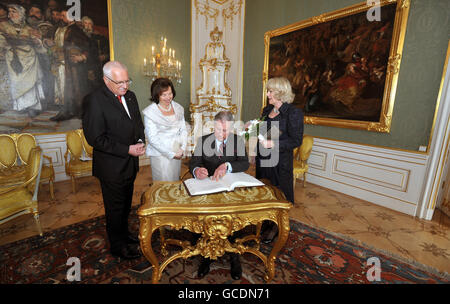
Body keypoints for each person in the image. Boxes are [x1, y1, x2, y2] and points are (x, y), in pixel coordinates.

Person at [82, 61, 145, 260]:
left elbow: (137, 125)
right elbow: (95, 138)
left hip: (130, 165)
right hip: (111, 167)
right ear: (105, 80)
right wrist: (127, 149)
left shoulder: (131, 96)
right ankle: (118, 246)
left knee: (126, 204)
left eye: (127, 81)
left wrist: (141, 140)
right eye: (119, 82)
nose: (125, 86)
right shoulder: (94, 100)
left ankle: (125, 235)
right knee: (114, 208)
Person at [189, 111, 249, 280]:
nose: (222, 134)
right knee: (208, 217)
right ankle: (207, 257)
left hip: (230, 186)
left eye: (226, 131)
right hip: (209, 186)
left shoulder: (237, 140)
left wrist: (227, 165)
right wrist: (197, 170)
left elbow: (244, 163)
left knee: (233, 217)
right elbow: (193, 162)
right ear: (213, 125)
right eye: (218, 129)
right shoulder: (203, 140)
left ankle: (234, 256)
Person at [255, 77, 303, 242]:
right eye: (268, 90)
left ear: (281, 92)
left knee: (279, 195)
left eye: (270, 91)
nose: (267, 94)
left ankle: (277, 227)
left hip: (280, 162)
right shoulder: (266, 110)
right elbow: (261, 131)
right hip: (263, 159)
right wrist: (252, 129)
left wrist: (273, 143)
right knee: (265, 192)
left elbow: (296, 140)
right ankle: (267, 222)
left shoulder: (293, 113)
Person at [0, 4, 46, 117]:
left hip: (29, 57)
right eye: (9, 11)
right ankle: (20, 106)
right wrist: (5, 46)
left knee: (31, 83)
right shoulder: (3, 26)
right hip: (12, 57)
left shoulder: (30, 29)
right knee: (16, 81)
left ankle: (32, 106)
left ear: (21, 14)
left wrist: (37, 42)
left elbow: (39, 44)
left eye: (14, 11)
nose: (11, 14)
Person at [142, 77, 187, 181]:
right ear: (157, 95)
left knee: (175, 181)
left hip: (177, 150)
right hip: (160, 155)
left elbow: (183, 130)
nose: (168, 97)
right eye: (164, 95)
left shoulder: (178, 108)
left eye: (170, 93)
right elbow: (153, 139)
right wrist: (171, 154)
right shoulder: (150, 112)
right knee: (163, 185)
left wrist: (181, 148)